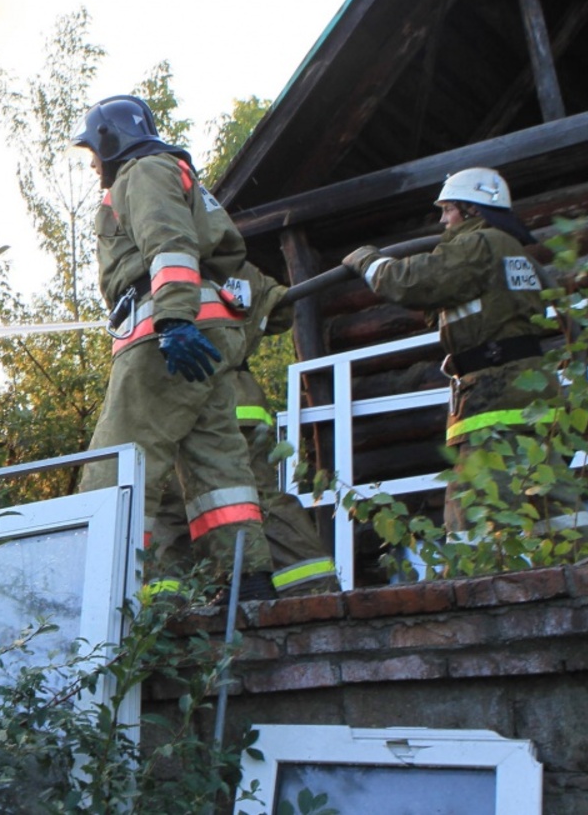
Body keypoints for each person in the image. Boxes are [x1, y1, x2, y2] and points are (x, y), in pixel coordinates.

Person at [73, 95, 275, 602]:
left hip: (166, 335)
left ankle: (96, 589)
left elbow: (168, 243)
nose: (93, 163)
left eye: (91, 150)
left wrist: (173, 320)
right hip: (209, 333)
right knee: (217, 465)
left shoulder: (140, 173)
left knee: (120, 461)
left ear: (109, 139)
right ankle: (246, 582)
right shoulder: (177, 174)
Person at [341, 167, 552, 532]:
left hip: (494, 397)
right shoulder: (513, 252)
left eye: (448, 210)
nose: (442, 221)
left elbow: (414, 281)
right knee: (543, 502)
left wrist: (367, 261)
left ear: (473, 210)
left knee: (477, 516)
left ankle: (485, 586)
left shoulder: (478, 244)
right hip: (524, 392)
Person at [146, 262, 339, 597]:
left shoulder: (171, 267)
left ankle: (172, 607)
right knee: (254, 501)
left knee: (180, 506)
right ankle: (310, 588)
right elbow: (280, 313)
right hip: (241, 398)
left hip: (194, 401)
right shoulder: (239, 270)